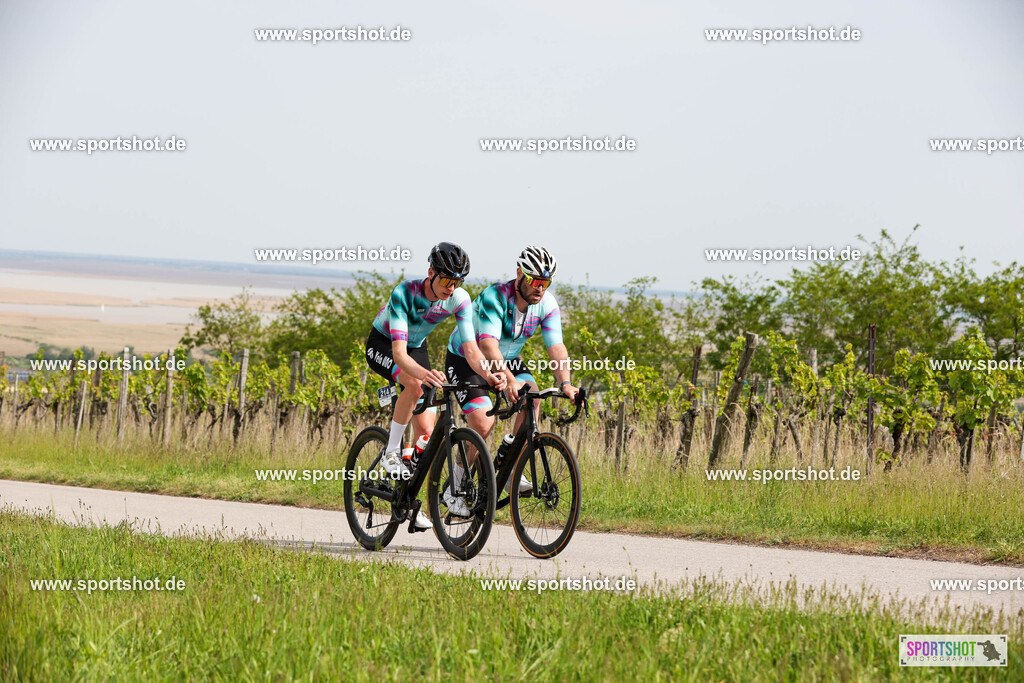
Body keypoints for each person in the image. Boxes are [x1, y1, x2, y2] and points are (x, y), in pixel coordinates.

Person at [365, 242, 504, 525]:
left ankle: (409, 501)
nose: (451, 287)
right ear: (431, 272)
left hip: (416, 346)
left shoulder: (459, 299)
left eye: (457, 281)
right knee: (415, 385)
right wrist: (423, 375)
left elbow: (471, 350)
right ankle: (391, 452)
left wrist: (488, 375)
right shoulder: (405, 293)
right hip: (384, 344)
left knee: (426, 434)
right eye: (446, 279)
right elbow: (399, 354)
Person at [445, 246, 578, 494]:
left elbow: (556, 347)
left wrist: (565, 383)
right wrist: (509, 381)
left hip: (508, 358)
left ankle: (509, 468)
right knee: (484, 422)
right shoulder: (495, 296)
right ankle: (456, 483)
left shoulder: (547, 304)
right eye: (535, 280)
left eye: (546, 282)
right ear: (520, 274)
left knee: (533, 397)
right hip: (467, 358)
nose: (540, 287)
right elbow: (487, 345)